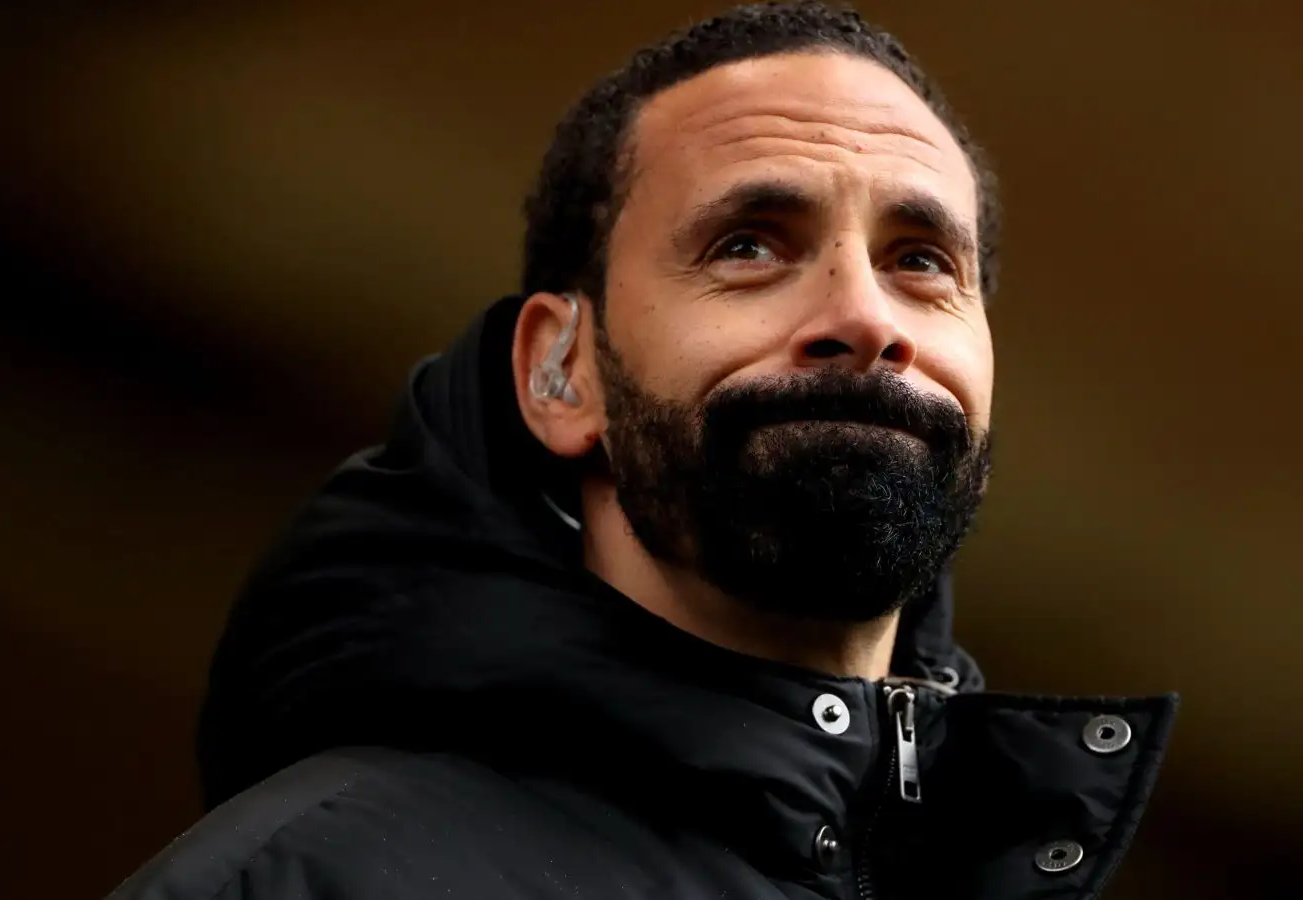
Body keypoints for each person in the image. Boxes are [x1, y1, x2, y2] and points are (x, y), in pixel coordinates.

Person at [110, 3, 1177, 898]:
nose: (865, 315)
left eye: (920, 260)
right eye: (749, 245)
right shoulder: (315, 876)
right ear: (560, 371)